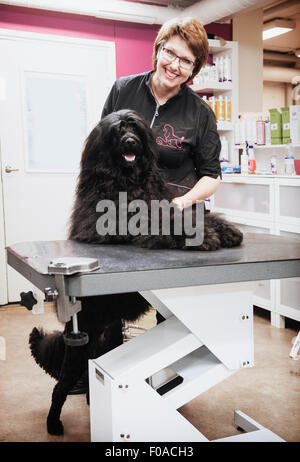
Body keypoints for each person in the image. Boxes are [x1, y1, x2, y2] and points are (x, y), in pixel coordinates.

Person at [101, 16, 221, 210]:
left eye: (185, 61)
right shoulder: (123, 89)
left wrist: (183, 202)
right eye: (170, 53)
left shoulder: (201, 112)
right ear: (158, 49)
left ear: (194, 68)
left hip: (177, 214)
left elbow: (212, 175)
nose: (174, 66)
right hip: (123, 209)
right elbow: (101, 146)